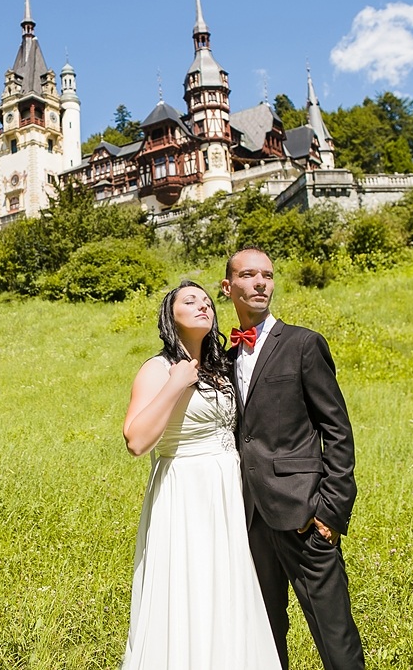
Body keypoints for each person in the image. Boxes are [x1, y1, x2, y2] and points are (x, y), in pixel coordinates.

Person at [121, 280, 282, 670]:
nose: (203, 306)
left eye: (208, 302)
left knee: (228, 586)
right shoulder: (157, 368)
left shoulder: (222, 367)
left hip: (228, 489)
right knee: (188, 585)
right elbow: (136, 441)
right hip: (184, 490)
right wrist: (175, 384)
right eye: (190, 301)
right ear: (170, 316)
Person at [221, 247, 364, 670]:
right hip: (249, 519)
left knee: (333, 633)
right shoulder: (225, 359)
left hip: (305, 513)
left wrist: (331, 512)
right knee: (263, 636)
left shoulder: (303, 344)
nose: (261, 282)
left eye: (267, 274)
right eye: (248, 275)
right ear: (228, 287)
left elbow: (336, 429)